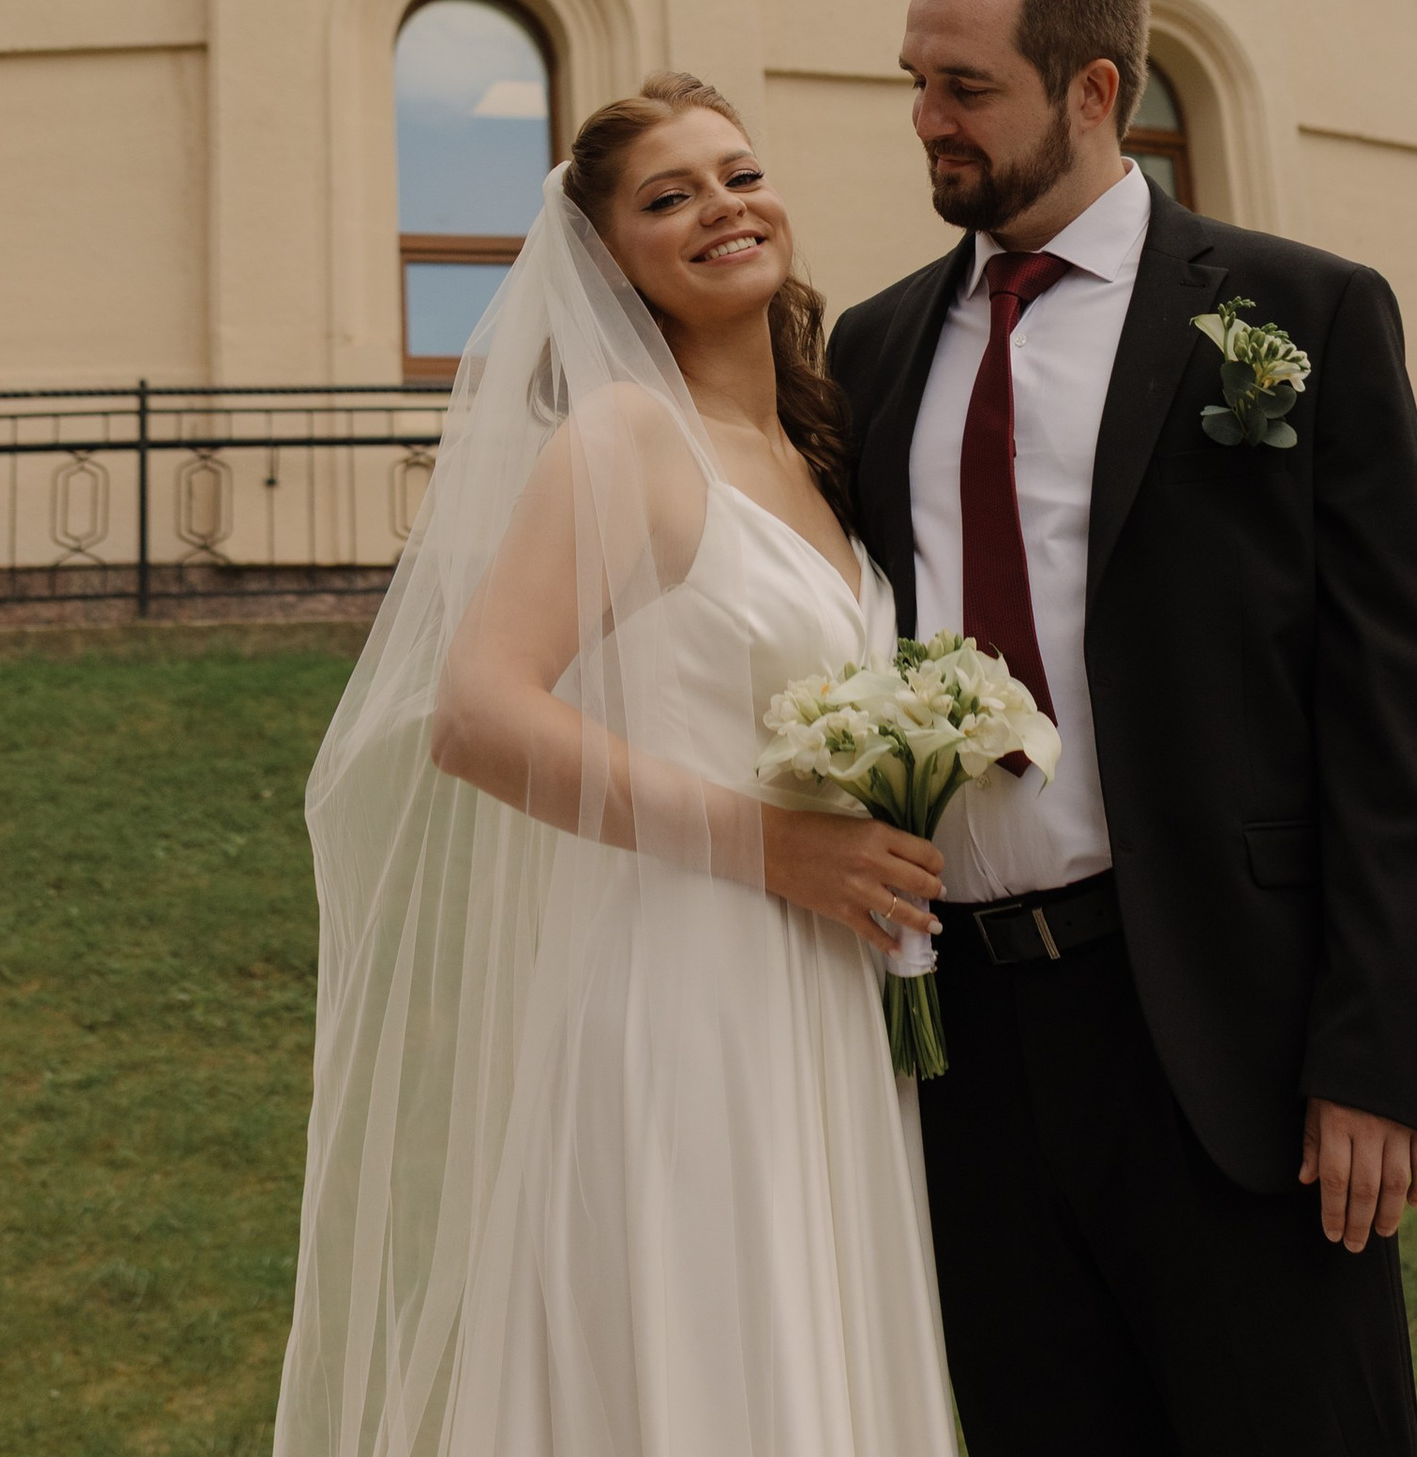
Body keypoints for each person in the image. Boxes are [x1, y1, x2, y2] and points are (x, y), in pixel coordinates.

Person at [826, 0, 1417, 1457]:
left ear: (1095, 89)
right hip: (962, 1054)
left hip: (1225, 1040)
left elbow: (1396, 716)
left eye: (967, 87)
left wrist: (1376, 1058)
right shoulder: (874, 350)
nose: (930, 121)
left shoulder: (1301, 316)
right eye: (916, 80)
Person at [273, 74, 962, 1457]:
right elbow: (477, 713)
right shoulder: (627, 437)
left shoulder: (814, 453)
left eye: (739, 171)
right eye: (670, 196)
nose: (722, 205)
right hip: (692, 988)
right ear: (608, 256)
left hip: (827, 996)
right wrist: (771, 847)